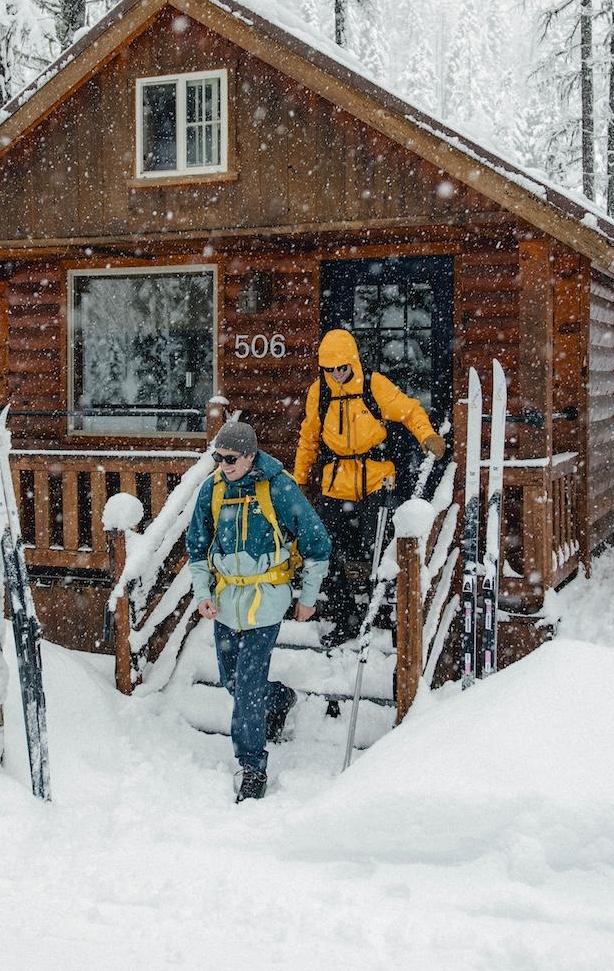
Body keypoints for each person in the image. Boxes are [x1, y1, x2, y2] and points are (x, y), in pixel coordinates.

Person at [186, 421, 331, 803]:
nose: (223, 464)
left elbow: (318, 543)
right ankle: (280, 699)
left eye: (231, 458)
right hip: (226, 603)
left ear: (251, 456)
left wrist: (307, 597)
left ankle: (252, 766)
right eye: (218, 457)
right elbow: (197, 547)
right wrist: (203, 592)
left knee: (247, 686)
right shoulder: (212, 489)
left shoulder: (279, 486)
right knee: (233, 681)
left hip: (266, 601)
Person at [293, 328, 446, 640]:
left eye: (342, 368)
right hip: (335, 482)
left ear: (352, 362)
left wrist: (426, 435)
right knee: (325, 550)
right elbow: (308, 439)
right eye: (330, 369)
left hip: (377, 480)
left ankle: (385, 611)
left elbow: (410, 410)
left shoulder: (374, 386)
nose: (337, 375)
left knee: (377, 548)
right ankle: (345, 614)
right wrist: (297, 482)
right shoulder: (318, 394)